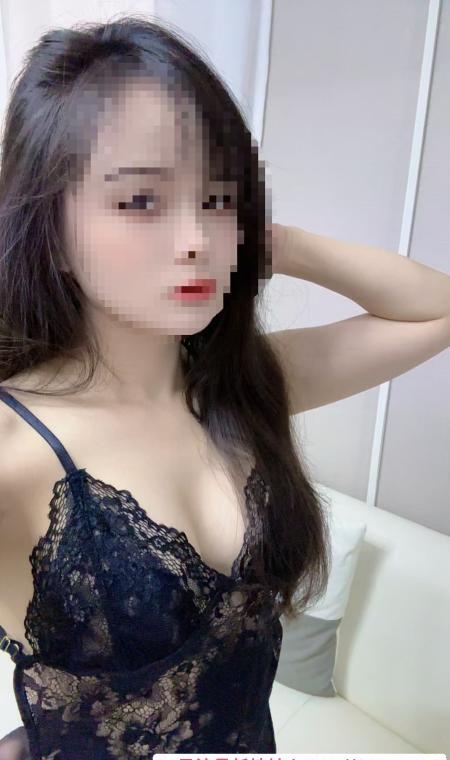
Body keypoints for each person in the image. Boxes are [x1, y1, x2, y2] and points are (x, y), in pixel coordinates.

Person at [0, 15, 330, 759]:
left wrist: (279, 243)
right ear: (50, 230)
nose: (195, 240)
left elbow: (434, 311)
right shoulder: (14, 445)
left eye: (218, 199)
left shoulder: (245, 387)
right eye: (141, 201)